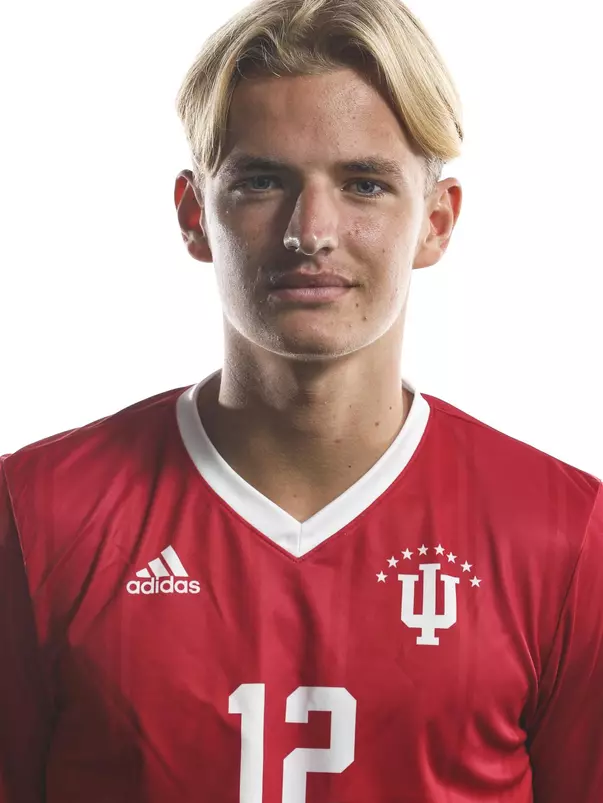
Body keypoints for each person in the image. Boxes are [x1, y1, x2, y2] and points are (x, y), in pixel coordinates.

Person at [1, 0, 602, 800]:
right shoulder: (38, 513)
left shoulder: (565, 535)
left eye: (363, 183)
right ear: (194, 216)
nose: (309, 230)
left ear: (435, 221)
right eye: (260, 181)